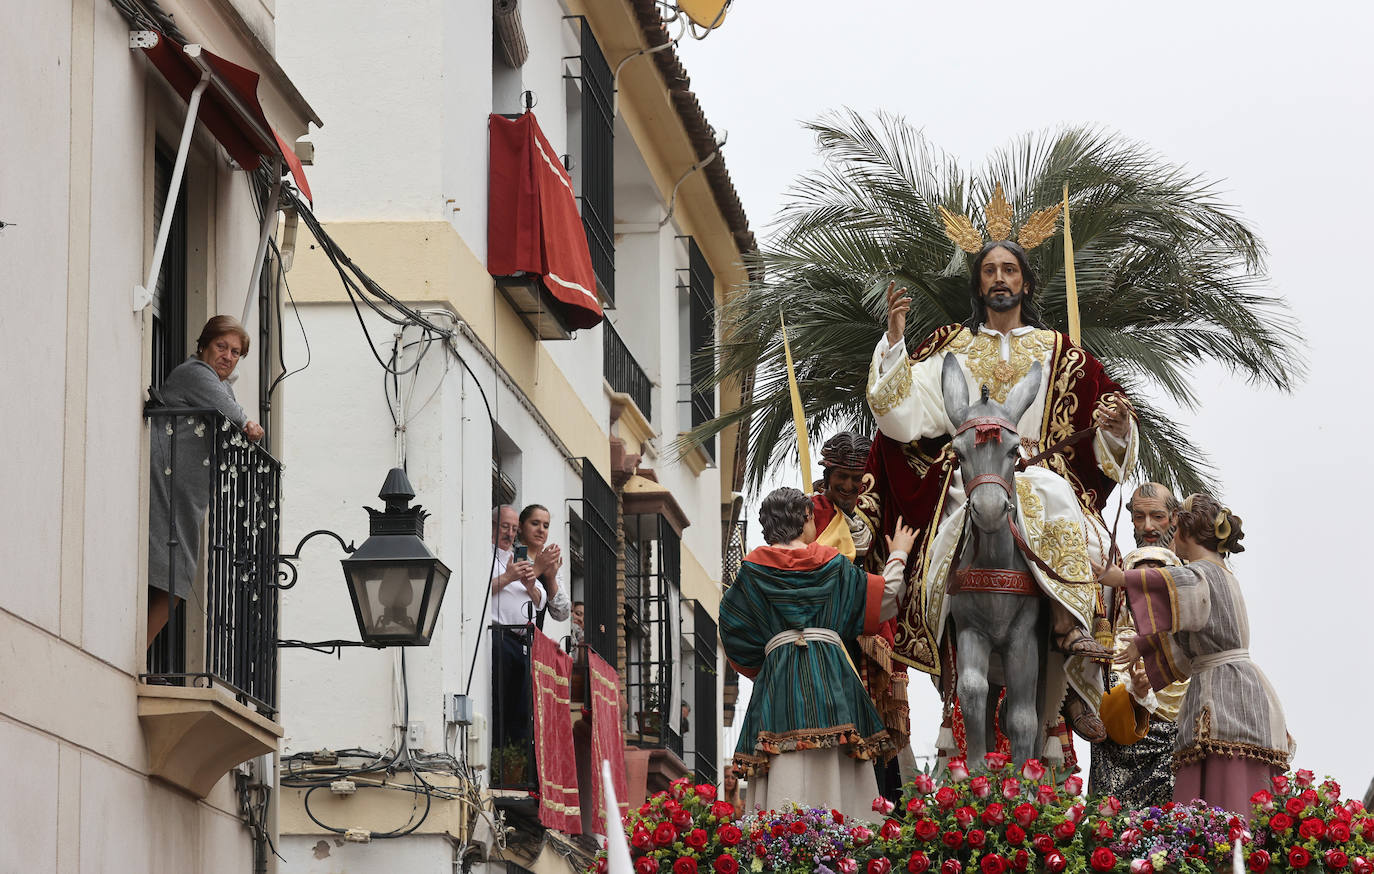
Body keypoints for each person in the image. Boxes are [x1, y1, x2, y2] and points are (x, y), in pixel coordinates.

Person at [863, 214, 1135, 752]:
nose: (999, 278)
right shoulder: (950, 347)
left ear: (1026, 282)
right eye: (989, 270)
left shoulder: (1064, 354)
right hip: (975, 479)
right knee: (943, 547)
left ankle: (1074, 637)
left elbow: (1109, 434)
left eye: (1010, 269)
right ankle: (938, 617)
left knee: (1067, 514)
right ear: (978, 283)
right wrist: (894, 342)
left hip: (1040, 474)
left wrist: (1118, 426)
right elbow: (901, 414)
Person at [720, 486, 916, 820]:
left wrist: (769, 663)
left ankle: (784, 843)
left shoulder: (751, 575)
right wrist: (898, 552)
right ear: (808, 517)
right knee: (839, 766)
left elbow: (733, 631)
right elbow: (886, 598)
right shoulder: (835, 567)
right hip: (833, 677)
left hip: (778, 681)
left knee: (783, 766)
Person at [1095, 493, 1292, 817]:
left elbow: (1170, 585)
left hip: (1225, 694)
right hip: (1228, 687)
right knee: (1220, 788)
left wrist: (1120, 578)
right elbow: (1189, 640)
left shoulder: (1202, 574)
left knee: (1223, 786)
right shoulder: (1222, 575)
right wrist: (1142, 646)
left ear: (1184, 531)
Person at [147, 316, 265, 647]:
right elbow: (230, 412)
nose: (228, 356)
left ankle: (139, 652)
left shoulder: (216, 382)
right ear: (204, 346)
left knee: (173, 576)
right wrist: (248, 424)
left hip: (184, 493)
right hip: (166, 486)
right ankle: (137, 655)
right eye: (221, 346)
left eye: (236, 352)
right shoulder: (195, 373)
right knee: (170, 575)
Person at [1088, 540, 1189, 808]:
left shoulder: (1188, 647)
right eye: (1139, 584)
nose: (1148, 594)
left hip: (1174, 773)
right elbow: (1102, 713)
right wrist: (1135, 696)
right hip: (1118, 773)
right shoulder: (1113, 645)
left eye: (1155, 584)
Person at [491, 505, 539, 750]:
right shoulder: (485, 557)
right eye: (504, 527)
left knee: (522, 710)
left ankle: (517, 758)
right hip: (499, 638)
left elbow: (540, 602)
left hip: (523, 643)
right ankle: (501, 756)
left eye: (513, 529)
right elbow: (480, 589)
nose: (510, 534)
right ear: (492, 527)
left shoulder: (522, 559)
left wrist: (530, 586)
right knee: (501, 703)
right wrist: (508, 578)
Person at [515, 503, 571, 627]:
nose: (541, 530)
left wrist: (551, 578)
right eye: (535, 523)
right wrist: (538, 568)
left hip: (534, 641)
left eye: (546, 526)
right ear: (520, 526)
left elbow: (562, 614)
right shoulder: (512, 553)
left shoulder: (549, 562)